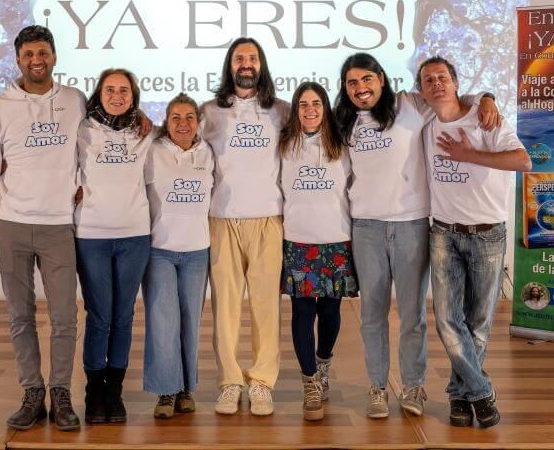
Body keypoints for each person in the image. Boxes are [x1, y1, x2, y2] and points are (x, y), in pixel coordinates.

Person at [333, 52, 500, 419]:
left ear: (381, 79)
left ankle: (413, 386)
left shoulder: (408, 105)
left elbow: (449, 96)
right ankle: (378, 388)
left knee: (412, 316)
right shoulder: (343, 122)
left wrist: (486, 97)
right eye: (352, 83)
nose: (361, 88)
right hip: (366, 228)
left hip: (410, 225)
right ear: (346, 89)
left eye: (367, 79)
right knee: (372, 315)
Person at [0, 25, 85, 432]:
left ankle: (61, 393)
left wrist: (141, 119)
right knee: (20, 316)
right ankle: (32, 393)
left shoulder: (75, 100)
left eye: (43, 53)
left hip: (59, 226)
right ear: (18, 60)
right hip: (12, 226)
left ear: (54, 56)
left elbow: (103, 136)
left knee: (65, 317)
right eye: (28, 55)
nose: (36, 60)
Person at [418, 55, 531, 429]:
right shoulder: (425, 126)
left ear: (455, 83)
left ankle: (459, 395)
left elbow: (523, 161)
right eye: (428, 79)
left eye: (442, 77)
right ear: (422, 91)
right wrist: (486, 95)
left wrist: (470, 154)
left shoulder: (486, 120)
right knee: (447, 321)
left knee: (478, 323)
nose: (436, 83)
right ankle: (481, 392)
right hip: (443, 233)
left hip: (487, 235)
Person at [200, 37, 289, 416]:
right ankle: (230, 382)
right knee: (226, 307)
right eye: (240, 58)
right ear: (230, 65)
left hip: (268, 218)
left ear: (261, 64)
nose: (246, 64)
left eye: (252, 57)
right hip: (222, 219)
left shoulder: (282, 111)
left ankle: (262, 382)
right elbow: (176, 139)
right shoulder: (210, 111)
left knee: (267, 307)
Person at [75, 68, 153, 425]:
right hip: (91, 235)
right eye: (110, 89)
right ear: (99, 93)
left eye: (124, 90)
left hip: (135, 235)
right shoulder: (82, 129)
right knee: (100, 316)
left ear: (133, 96)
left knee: (123, 316)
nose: (117, 95)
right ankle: (94, 391)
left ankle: (115, 391)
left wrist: (144, 117)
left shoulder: (145, 132)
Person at [279, 82, 357, 421]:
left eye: (316, 103)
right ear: (295, 110)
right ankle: (309, 380)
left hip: (335, 239)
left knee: (329, 311)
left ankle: (323, 363)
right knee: (302, 312)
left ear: (325, 107)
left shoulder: (342, 144)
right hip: (298, 240)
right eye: (303, 104)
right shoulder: (284, 144)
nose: (309, 109)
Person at [142, 94, 214, 419]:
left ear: (198, 122)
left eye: (189, 117)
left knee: (190, 322)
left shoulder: (208, 153)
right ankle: (166, 391)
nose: (183, 123)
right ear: (166, 121)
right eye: (175, 117)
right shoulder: (152, 150)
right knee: (163, 322)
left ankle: (186, 389)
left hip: (197, 251)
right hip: (159, 251)